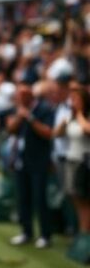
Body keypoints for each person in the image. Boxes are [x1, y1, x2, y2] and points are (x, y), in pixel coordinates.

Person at [7, 80, 56, 248]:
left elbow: (48, 132)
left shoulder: (43, 109)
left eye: (22, 96)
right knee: (23, 198)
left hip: (39, 161)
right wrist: (21, 117)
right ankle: (26, 231)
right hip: (21, 160)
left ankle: (45, 235)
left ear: (30, 96)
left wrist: (30, 117)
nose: (19, 99)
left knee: (40, 198)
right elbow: (11, 130)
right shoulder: (20, 110)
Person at [54, 83, 90, 236]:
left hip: (83, 162)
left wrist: (80, 113)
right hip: (70, 159)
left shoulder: (84, 117)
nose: (73, 102)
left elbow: (86, 130)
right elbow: (57, 134)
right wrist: (66, 119)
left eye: (76, 99)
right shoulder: (71, 117)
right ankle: (81, 231)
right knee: (74, 197)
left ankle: (84, 232)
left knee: (84, 200)